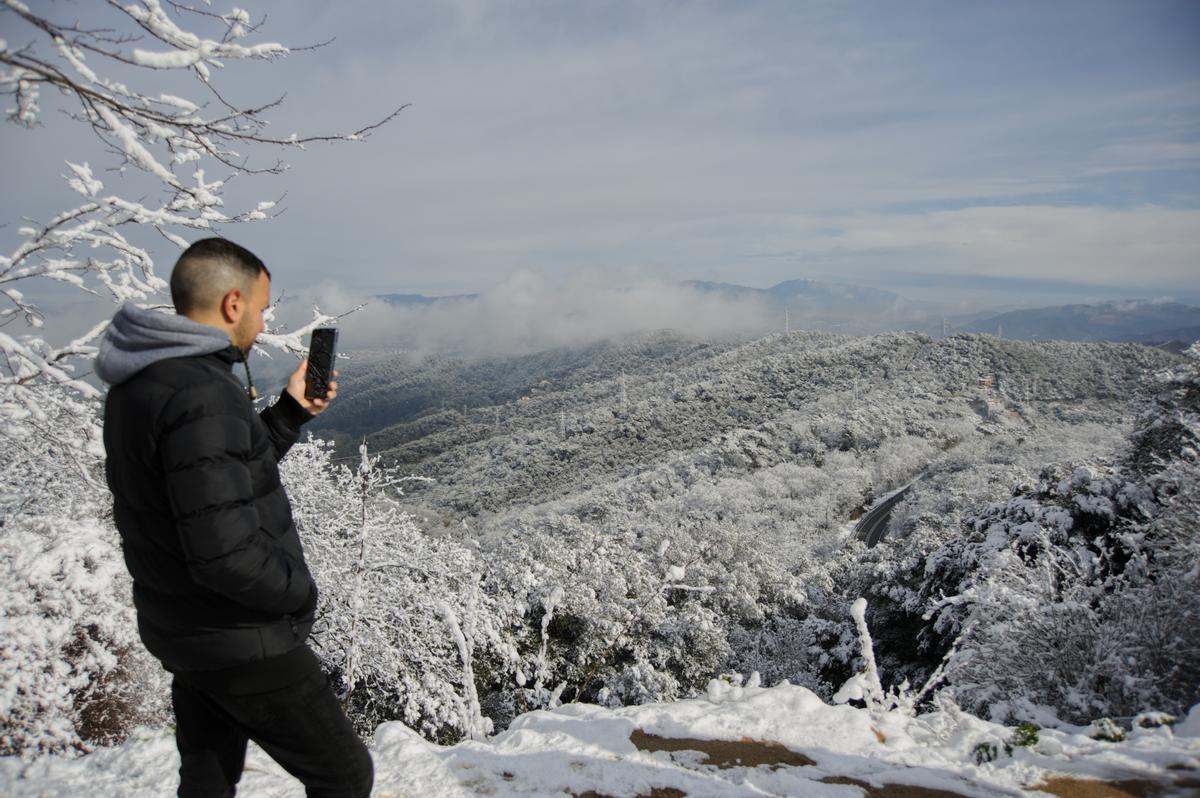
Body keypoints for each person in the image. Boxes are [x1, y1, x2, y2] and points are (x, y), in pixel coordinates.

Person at [95, 238, 373, 798]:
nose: (264, 319)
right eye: (263, 306)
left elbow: (215, 486)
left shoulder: (143, 383)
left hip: (184, 628)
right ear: (232, 304)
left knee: (207, 776)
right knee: (344, 775)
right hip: (241, 637)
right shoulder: (202, 392)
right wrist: (298, 591)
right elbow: (226, 552)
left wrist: (290, 412)